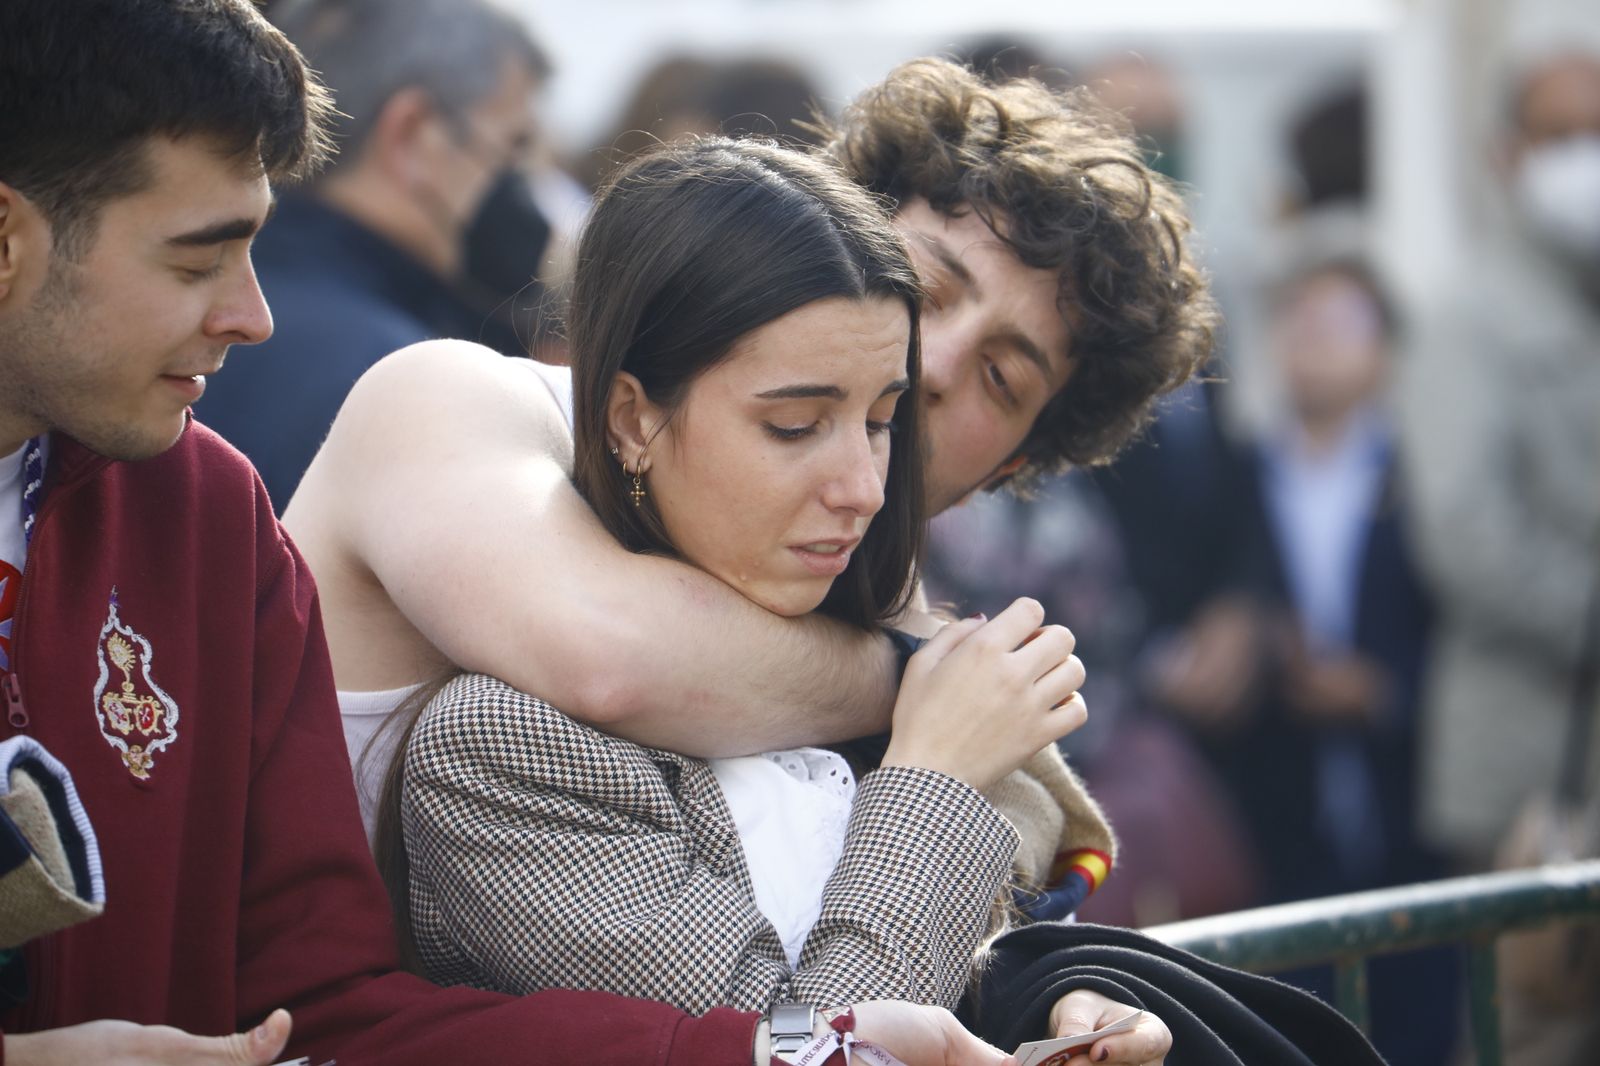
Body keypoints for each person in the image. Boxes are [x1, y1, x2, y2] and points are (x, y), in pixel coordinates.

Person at [0, 3, 1022, 1062]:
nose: (254, 316)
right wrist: (924, 711)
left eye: (884, 420)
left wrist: (1051, 994)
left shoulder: (207, 510)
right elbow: (608, 659)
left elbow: (320, 1006)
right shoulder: (494, 706)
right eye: (193, 261)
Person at [287, 57, 1219, 828]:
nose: (934, 362)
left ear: (1006, 468)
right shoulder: (453, 398)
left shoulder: (867, 596)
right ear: (830, 233)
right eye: (924, 292)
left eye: (1002, 378)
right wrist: (921, 683)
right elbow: (609, 660)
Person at [381, 134, 1110, 1028]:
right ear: (631, 419)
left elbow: (989, 950)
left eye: (880, 421)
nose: (864, 488)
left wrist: (1062, 999)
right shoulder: (502, 746)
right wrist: (937, 776)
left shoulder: (897, 645)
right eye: (795, 426)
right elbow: (808, 1045)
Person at [197, 0, 558, 510]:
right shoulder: (406, 380)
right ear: (413, 133)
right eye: (512, 146)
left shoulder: (198, 308)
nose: (526, 189)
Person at [1400, 45, 1600, 867]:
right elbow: (1467, 534)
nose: (1585, 158)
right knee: (1532, 954)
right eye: (1561, 136)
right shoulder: (1470, 315)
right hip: (1532, 760)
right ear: (1507, 154)